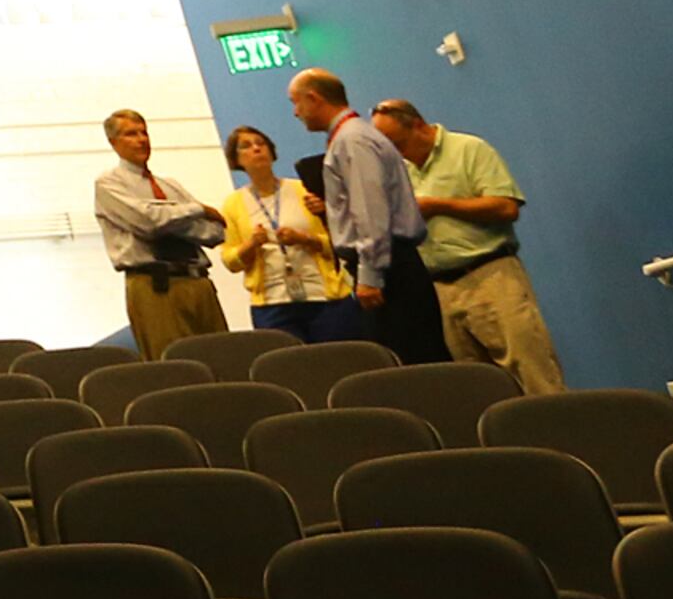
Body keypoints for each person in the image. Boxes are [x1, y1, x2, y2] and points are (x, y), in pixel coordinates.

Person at [374, 97, 565, 393]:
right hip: (442, 289)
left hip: (490, 276)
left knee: (532, 374)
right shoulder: (402, 172)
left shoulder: (468, 149)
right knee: (479, 386)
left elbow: (506, 208)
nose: (398, 154)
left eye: (398, 144)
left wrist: (440, 206)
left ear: (418, 126)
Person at [288, 66, 446, 363]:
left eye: (296, 102)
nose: (296, 112)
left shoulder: (352, 141)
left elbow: (371, 211)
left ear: (314, 98)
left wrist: (370, 275)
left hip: (389, 272)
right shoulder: (352, 137)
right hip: (391, 265)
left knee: (411, 366)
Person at [96, 108, 230, 357]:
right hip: (156, 286)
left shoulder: (171, 186)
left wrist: (170, 218)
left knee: (221, 356)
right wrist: (197, 209)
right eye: (130, 134)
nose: (141, 140)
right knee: (175, 362)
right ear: (113, 143)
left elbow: (215, 232)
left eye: (144, 133)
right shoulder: (109, 183)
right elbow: (147, 221)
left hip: (198, 282)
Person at [219, 124, 360, 341]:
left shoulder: (303, 190)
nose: (256, 149)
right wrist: (252, 244)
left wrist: (304, 239)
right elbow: (230, 260)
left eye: (261, 143)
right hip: (272, 304)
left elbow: (337, 242)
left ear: (272, 152)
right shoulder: (233, 204)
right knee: (288, 366)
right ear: (236, 160)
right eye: (246, 146)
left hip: (325, 297)